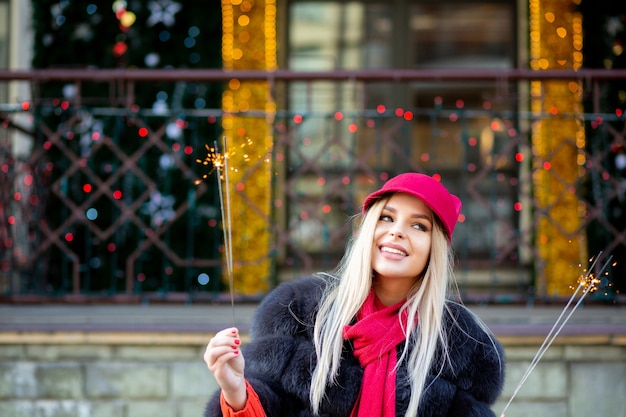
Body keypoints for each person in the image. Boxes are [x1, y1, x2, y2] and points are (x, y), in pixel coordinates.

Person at [203, 172, 505, 417]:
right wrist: (235, 391)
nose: (397, 231)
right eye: (387, 217)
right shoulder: (300, 312)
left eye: (418, 225)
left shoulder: (461, 344)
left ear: (434, 248)